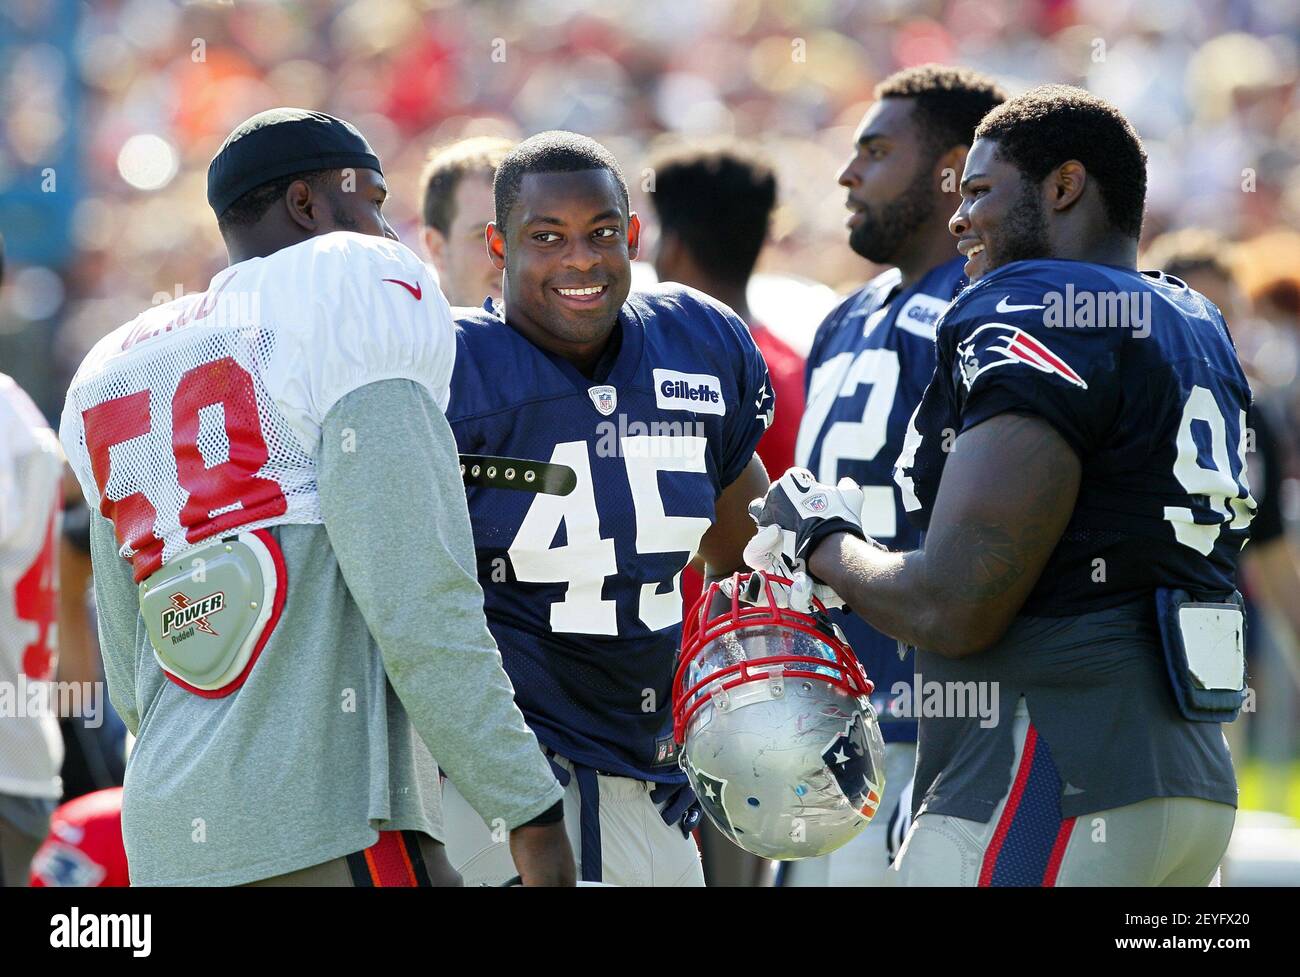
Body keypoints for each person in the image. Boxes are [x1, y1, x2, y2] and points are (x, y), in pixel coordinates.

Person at [749, 86, 1250, 886]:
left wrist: (824, 544)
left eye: (979, 192)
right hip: (1188, 782)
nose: (958, 218)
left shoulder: (1035, 305)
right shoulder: (1189, 315)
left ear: (1063, 187)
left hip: (1048, 767)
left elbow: (955, 602)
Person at [59, 108, 573, 886]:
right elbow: (419, 608)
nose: (386, 229)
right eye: (369, 199)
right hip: (330, 820)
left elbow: (133, 671)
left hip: (169, 835)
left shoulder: (111, 365)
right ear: (307, 202)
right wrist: (531, 814)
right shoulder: (348, 291)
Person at [439, 131, 772, 886]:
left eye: (600, 234)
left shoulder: (697, 340)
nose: (580, 259)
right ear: (499, 244)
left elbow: (747, 549)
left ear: (633, 236)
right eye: (545, 237)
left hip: (648, 769)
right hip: (498, 774)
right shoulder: (451, 366)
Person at [781, 64, 1005, 888]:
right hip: (832, 711)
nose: (848, 173)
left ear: (954, 170)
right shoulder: (847, 313)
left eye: (875, 150)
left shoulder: (984, 306)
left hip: (937, 715)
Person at [644, 139, 801, 885]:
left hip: (681, 674)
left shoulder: (659, 368)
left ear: (670, 245)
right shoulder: (796, 368)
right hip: (777, 679)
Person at [418, 136, 514, 307]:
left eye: (535, 235)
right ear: (437, 248)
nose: (512, 257)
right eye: (484, 236)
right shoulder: (394, 329)